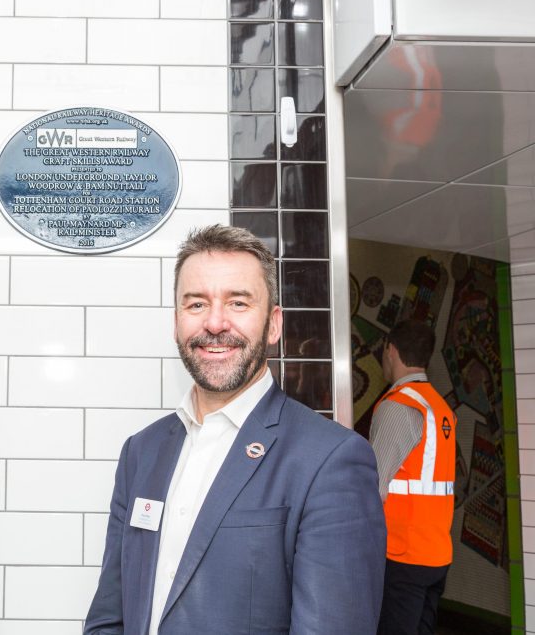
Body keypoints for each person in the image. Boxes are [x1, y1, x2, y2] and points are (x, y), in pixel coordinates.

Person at [85, 224, 385, 635]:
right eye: (196, 304)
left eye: (238, 303)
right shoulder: (141, 451)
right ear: (176, 322)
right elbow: (109, 617)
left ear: (273, 324)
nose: (214, 323)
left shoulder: (330, 461)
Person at [370, 319, 456, 635]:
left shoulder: (398, 406)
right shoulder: (440, 409)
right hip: (436, 553)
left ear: (391, 350)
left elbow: (374, 486)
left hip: (402, 553)